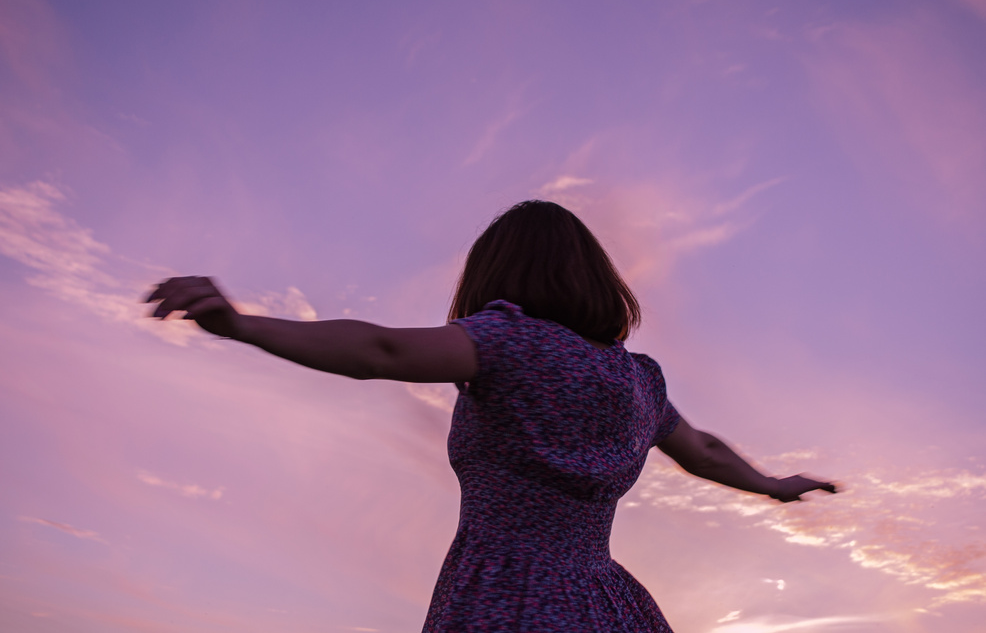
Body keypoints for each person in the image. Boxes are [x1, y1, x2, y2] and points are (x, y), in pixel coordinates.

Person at [146, 200, 836, 632]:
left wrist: (240, 325)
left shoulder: (506, 340)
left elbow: (380, 348)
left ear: (495, 274)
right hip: (606, 604)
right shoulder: (639, 380)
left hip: (501, 597)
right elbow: (704, 451)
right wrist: (773, 486)